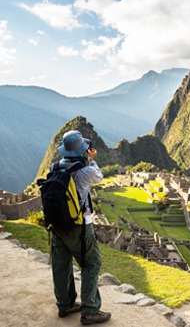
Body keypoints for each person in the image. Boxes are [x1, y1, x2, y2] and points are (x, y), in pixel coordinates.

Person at [51, 130, 111, 325]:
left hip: (57, 226)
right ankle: (90, 310)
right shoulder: (87, 171)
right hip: (80, 228)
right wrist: (92, 159)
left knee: (61, 265)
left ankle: (65, 304)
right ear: (82, 151)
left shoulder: (55, 168)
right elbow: (99, 177)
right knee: (92, 263)